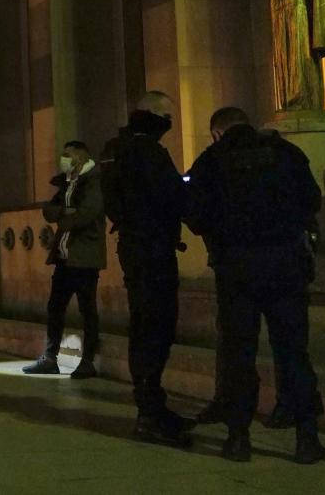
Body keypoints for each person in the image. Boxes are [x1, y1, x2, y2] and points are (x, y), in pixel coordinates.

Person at [185, 106, 325, 464]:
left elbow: (195, 216)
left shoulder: (211, 160)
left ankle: (238, 438)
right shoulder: (286, 152)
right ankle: (306, 437)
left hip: (236, 269)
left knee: (239, 354)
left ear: (217, 132)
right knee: (294, 350)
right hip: (285, 265)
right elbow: (312, 199)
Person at [101, 91, 195, 446]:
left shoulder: (114, 149)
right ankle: (149, 413)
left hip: (132, 245)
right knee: (157, 325)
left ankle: (152, 406)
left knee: (143, 323)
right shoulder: (148, 152)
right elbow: (172, 196)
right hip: (153, 247)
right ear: (151, 115)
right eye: (166, 116)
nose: (169, 123)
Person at [22, 140, 106, 380]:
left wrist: (66, 216)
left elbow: (87, 214)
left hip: (84, 258)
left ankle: (88, 361)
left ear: (80, 156)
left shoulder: (93, 181)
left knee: (87, 310)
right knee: (55, 307)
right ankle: (50, 358)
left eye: (67, 154)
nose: (63, 158)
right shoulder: (68, 183)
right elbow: (49, 210)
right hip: (64, 258)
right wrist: (65, 212)